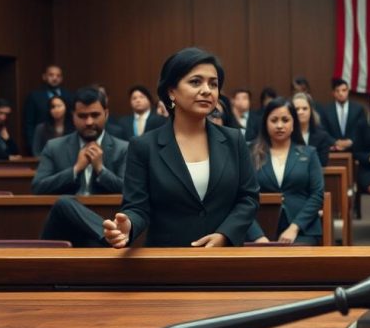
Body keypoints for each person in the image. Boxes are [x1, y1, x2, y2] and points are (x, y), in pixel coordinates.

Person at [101, 47, 260, 248]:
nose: (206, 90)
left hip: (223, 260)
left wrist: (224, 235)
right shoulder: (143, 146)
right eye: (195, 82)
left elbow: (248, 198)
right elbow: (137, 207)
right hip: (168, 260)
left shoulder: (233, 140)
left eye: (213, 84)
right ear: (171, 91)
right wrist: (128, 226)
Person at [244, 98, 325, 245]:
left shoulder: (309, 153)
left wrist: (294, 228)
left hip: (302, 229)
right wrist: (257, 235)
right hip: (259, 227)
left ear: (294, 123)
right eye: (274, 120)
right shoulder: (250, 153)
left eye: (285, 120)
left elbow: (317, 194)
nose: (279, 125)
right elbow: (243, 196)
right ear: (265, 124)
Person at [33, 87, 128, 196]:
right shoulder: (54, 147)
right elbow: (38, 187)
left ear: (106, 114)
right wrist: (75, 169)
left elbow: (128, 190)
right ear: (73, 116)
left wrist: (101, 170)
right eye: (82, 116)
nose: (89, 122)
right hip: (65, 211)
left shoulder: (123, 149)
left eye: (95, 115)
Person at [23, 65, 72, 154]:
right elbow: (29, 123)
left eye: (58, 76)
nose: (54, 78)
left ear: (61, 78)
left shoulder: (68, 96)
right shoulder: (34, 96)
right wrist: (32, 146)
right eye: (51, 75)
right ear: (44, 77)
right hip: (43, 143)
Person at [322, 78, 366, 152]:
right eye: (337, 91)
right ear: (333, 93)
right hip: (333, 150)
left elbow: (362, 129)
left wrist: (351, 141)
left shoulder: (358, 109)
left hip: (355, 150)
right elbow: (323, 131)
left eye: (344, 90)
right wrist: (335, 142)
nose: (341, 93)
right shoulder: (326, 110)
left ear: (348, 91)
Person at [292, 92, 333, 166]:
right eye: (297, 109)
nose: (300, 112)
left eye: (304, 109)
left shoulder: (322, 136)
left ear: (311, 111)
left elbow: (323, 162)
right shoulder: (287, 135)